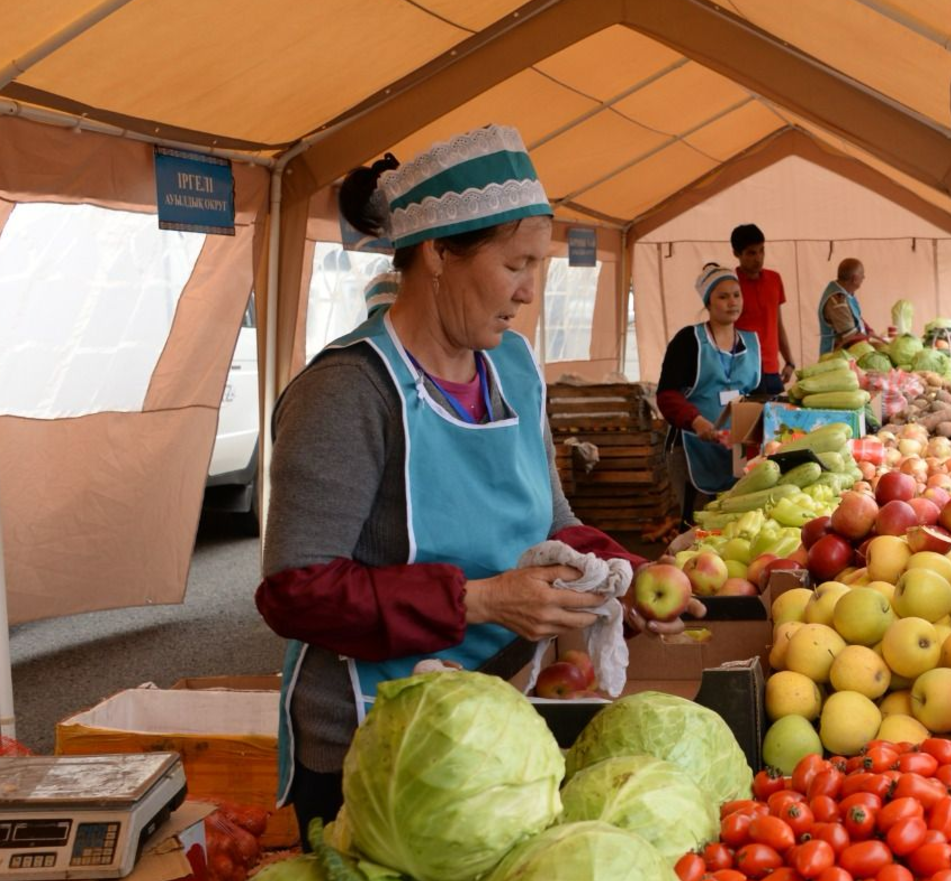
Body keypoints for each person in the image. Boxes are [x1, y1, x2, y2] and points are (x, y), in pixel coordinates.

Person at [255, 126, 687, 841]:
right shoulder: (349, 393)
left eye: (537, 267)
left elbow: (550, 517)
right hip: (378, 748)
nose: (528, 292)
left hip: (501, 711)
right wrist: (484, 599)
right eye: (516, 264)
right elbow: (294, 591)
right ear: (437, 253)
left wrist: (626, 574)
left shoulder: (512, 366)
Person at [656, 263, 763, 516]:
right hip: (693, 445)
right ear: (708, 303)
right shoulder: (689, 341)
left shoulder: (751, 341)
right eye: (723, 296)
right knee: (698, 521)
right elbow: (667, 395)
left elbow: (760, 393)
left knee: (735, 520)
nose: (732, 302)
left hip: (739, 448)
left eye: (736, 295)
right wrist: (696, 421)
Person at [731, 223, 793, 394]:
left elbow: (777, 324)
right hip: (743, 371)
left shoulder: (774, 279)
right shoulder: (729, 285)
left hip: (772, 369)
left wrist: (789, 361)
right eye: (751, 253)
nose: (758, 257)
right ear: (736, 254)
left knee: (777, 419)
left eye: (761, 250)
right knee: (749, 420)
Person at [816, 258, 867, 355]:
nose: (864, 277)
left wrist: (869, 330)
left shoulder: (846, 292)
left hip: (847, 354)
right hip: (835, 356)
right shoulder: (837, 301)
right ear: (854, 278)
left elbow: (857, 318)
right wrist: (875, 345)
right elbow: (850, 336)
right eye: (862, 275)